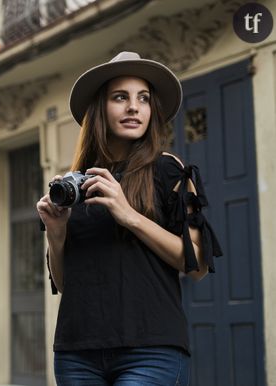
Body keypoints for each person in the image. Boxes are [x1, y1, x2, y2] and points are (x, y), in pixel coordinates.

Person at [36, 52, 223, 385]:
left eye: (144, 98)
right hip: (77, 353)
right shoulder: (78, 185)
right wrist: (57, 233)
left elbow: (197, 266)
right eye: (120, 97)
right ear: (100, 108)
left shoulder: (169, 170)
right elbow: (67, 284)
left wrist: (129, 216)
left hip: (150, 349)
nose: (134, 107)